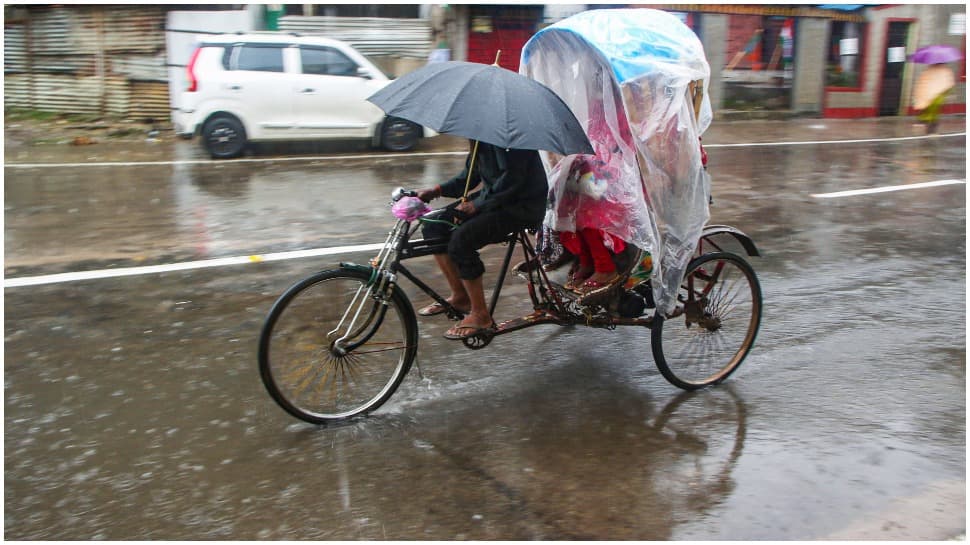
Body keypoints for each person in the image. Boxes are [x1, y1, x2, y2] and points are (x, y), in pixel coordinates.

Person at [416, 140, 548, 340]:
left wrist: (477, 204)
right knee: (435, 225)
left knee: (461, 241)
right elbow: (468, 177)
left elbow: (513, 178)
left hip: (521, 204)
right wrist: (436, 191)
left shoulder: (509, 138)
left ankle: (480, 315)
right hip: (495, 196)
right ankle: (460, 297)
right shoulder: (479, 137)